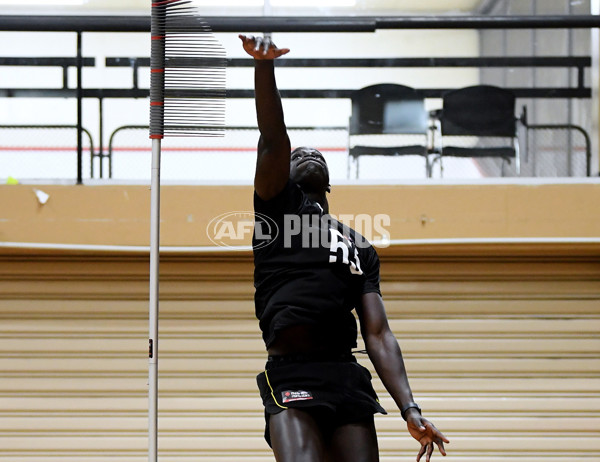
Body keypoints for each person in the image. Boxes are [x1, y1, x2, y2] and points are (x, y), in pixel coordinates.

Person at [240, 34, 449, 462]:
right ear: (285, 176)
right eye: (300, 154)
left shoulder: (360, 246)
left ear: (329, 184)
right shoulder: (277, 212)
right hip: (291, 371)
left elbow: (378, 332)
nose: (309, 153)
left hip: (346, 375)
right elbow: (274, 137)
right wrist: (264, 67)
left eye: (317, 155)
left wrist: (410, 407)